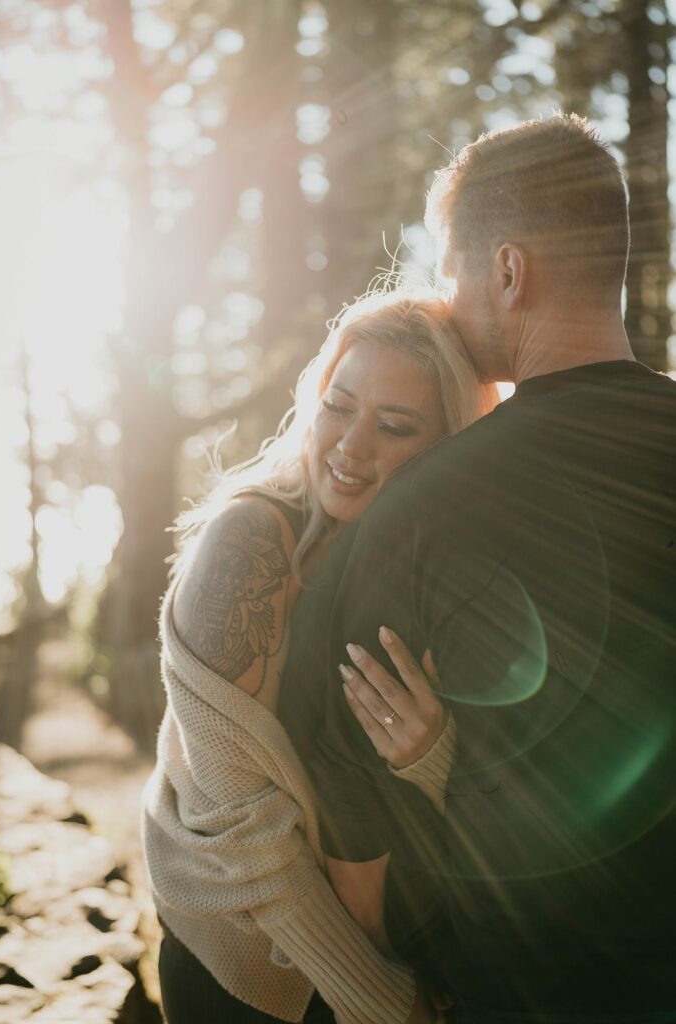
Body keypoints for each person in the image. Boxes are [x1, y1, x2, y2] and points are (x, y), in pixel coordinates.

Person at [282, 113, 676, 1022]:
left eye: (452, 273)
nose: (449, 304)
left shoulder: (419, 506)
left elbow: (354, 829)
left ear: (507, 269)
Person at [142, 288, 498, 1024]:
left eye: (394, 426)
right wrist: (379, 1001)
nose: (350, 446)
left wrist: (427, 757)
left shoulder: (417, 574)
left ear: (446, 446)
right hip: (243, 966)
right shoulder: (251, 540)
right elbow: (243, 832)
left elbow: (478, 782)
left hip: (367, 950)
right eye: (338, 407)